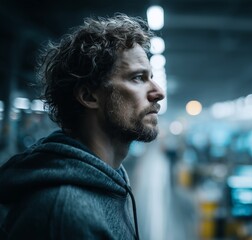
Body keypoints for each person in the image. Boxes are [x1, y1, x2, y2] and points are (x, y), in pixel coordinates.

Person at [0, 13, 165, 240]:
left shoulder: (109, 179)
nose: (158, 92)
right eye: (138, 78)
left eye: (151, 77)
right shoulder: (65, 213)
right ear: (89, 96)